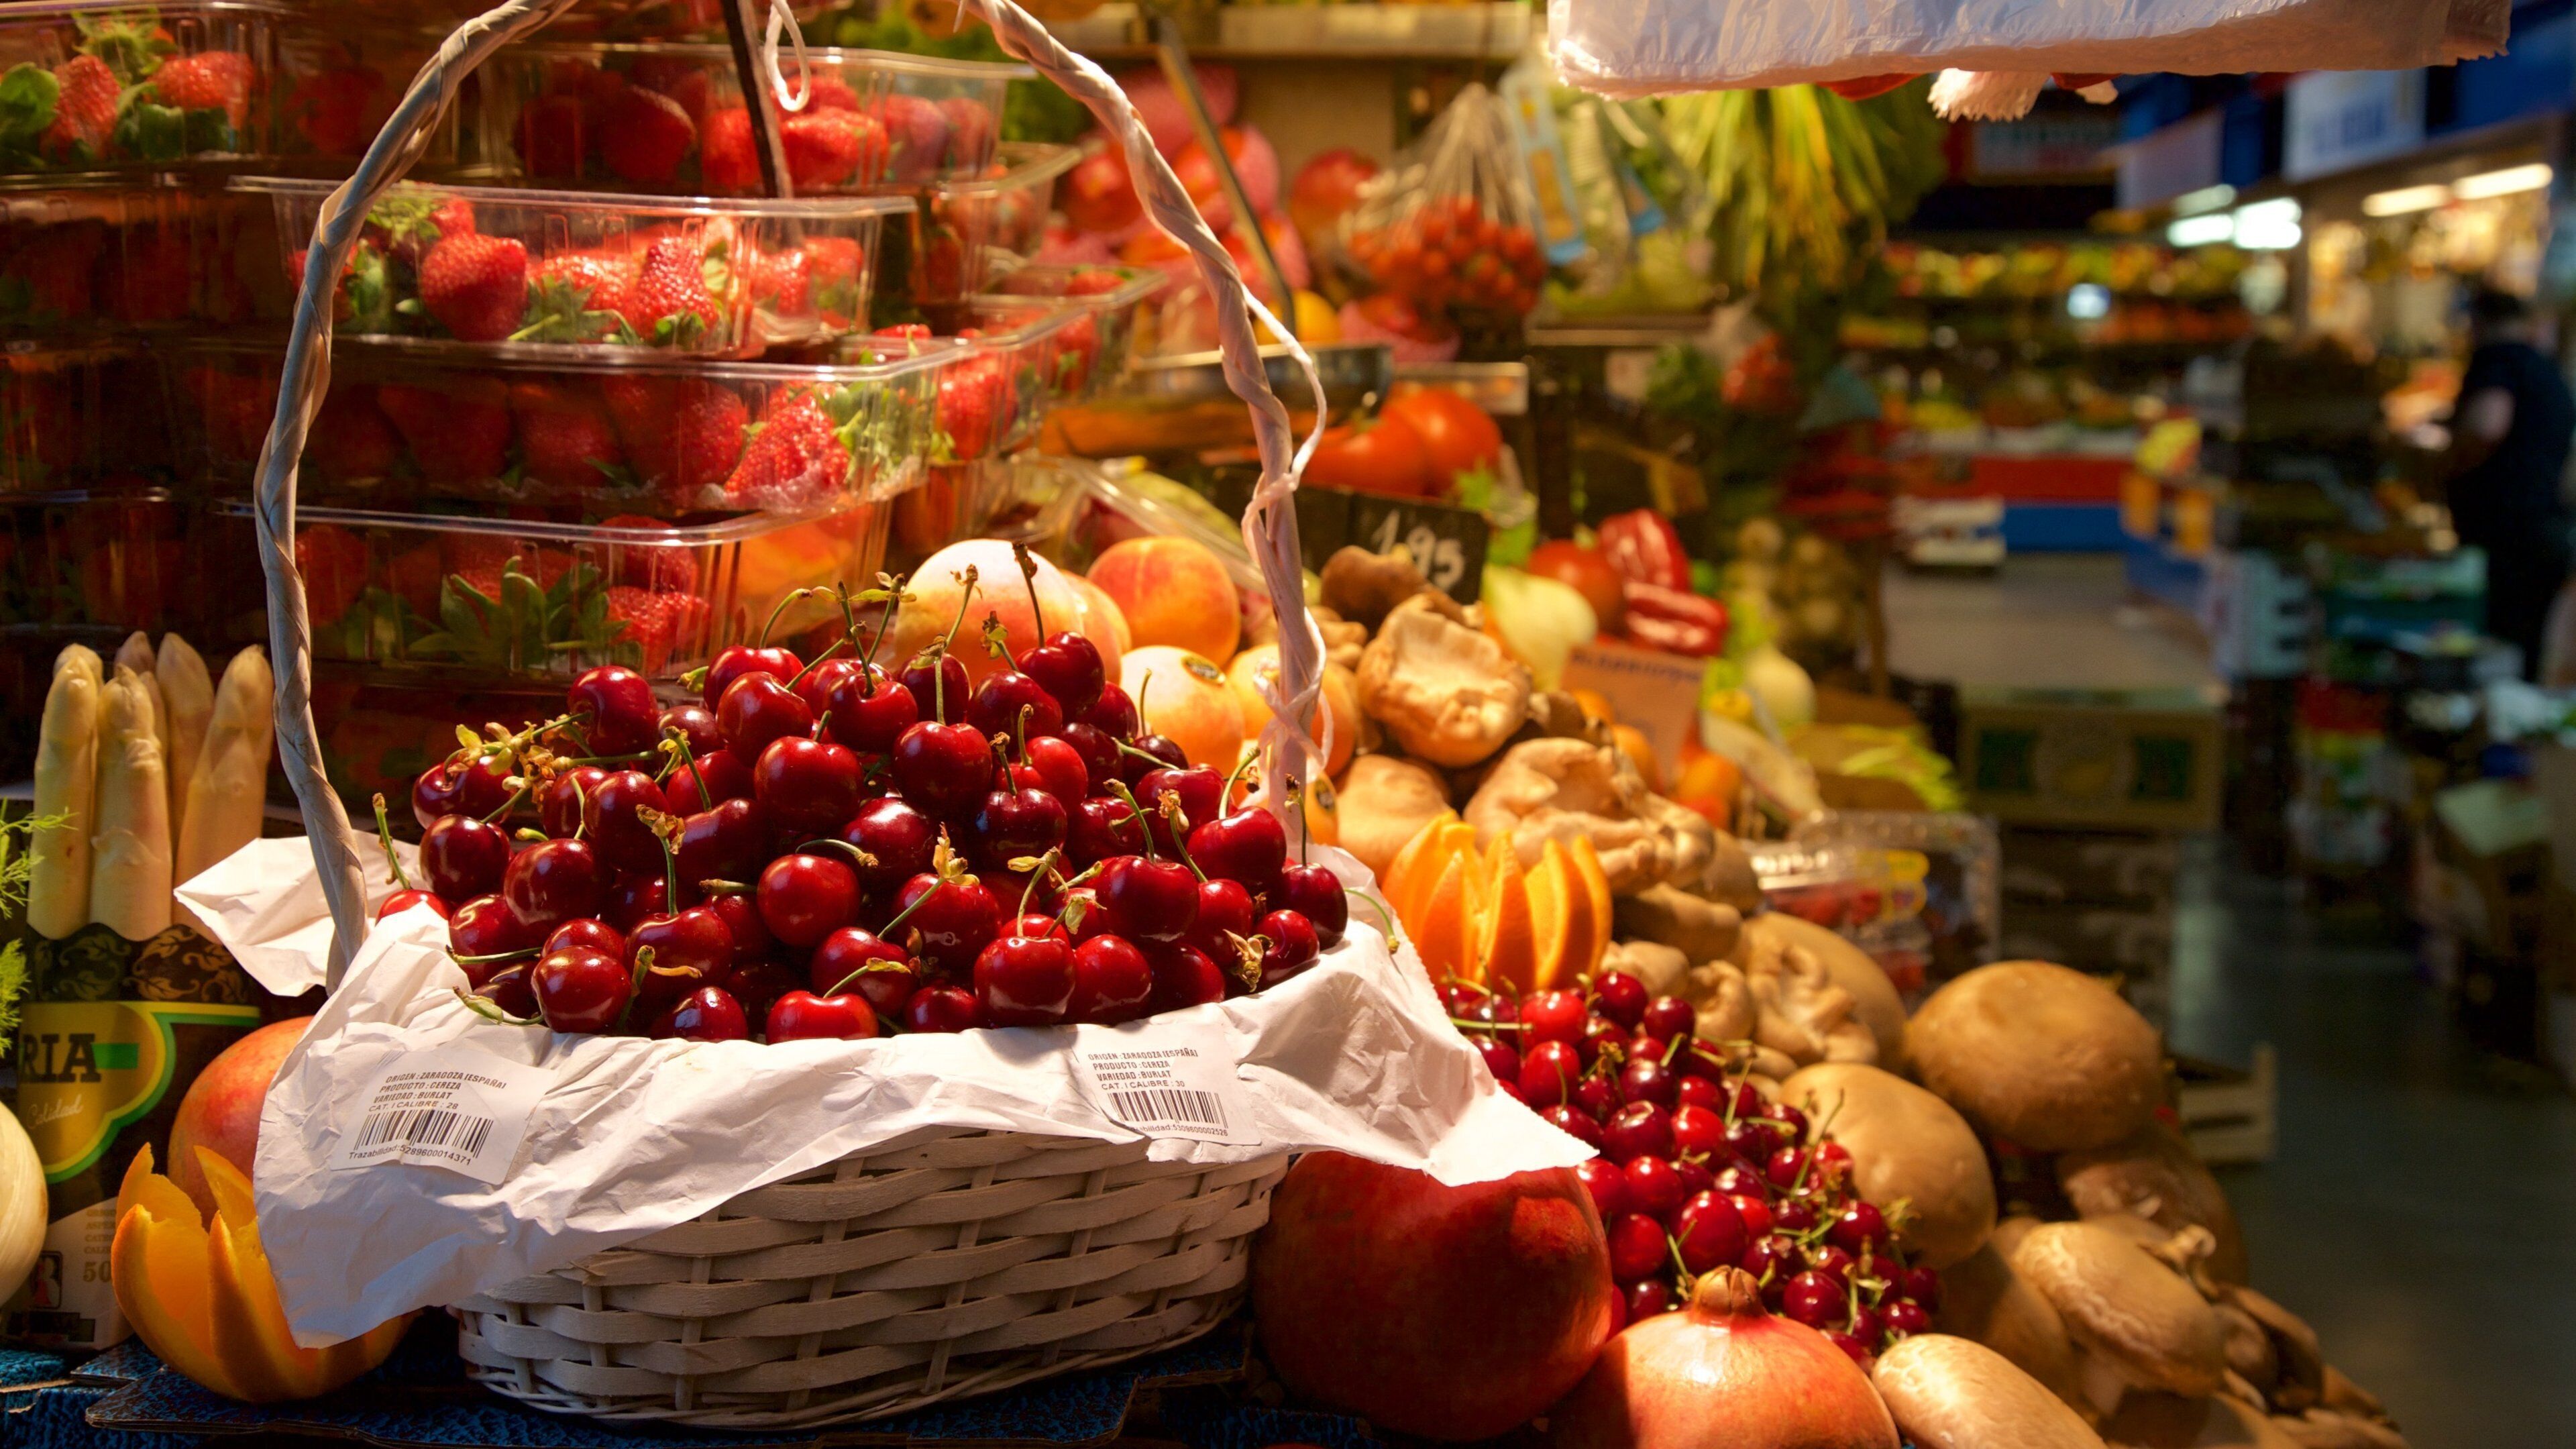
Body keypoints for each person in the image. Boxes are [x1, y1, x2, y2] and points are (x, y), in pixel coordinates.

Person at [2442, 289, 2576, 679]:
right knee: (2527, 646)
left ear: (2477, 322)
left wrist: (2451, 462)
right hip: (2546, 526)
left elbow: (2488, 424)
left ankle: (2497, 711)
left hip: (2506, 530)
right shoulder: (2546, 370)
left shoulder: (2498, 361)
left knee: (2495, 642)